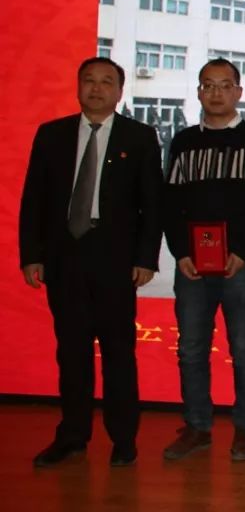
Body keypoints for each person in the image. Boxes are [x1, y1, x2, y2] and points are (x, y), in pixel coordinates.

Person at [19, 57, 162, 467]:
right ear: (78, 86)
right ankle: (73, 435)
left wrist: (146, 258)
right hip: (65, 259)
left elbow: (152, 204)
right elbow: (33, 200)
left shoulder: (139, 137)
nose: (96, 89)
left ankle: (123, 439)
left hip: (116, 261)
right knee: (71, 353)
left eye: (106, 82)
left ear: (119, 91)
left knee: (119, 353)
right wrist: (32, 256)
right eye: (89, 81)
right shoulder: (52, 135)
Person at [162, 59, 245, 462]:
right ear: (198, 92)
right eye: (208, 85)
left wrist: (243, 250)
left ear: (238, 92)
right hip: (192, 267)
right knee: (191, 349)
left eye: (224, 85)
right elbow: (170, 201)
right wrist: (181, 251)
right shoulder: (183, 142)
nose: (216, 93)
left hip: (242, 264)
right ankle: (197, 426)